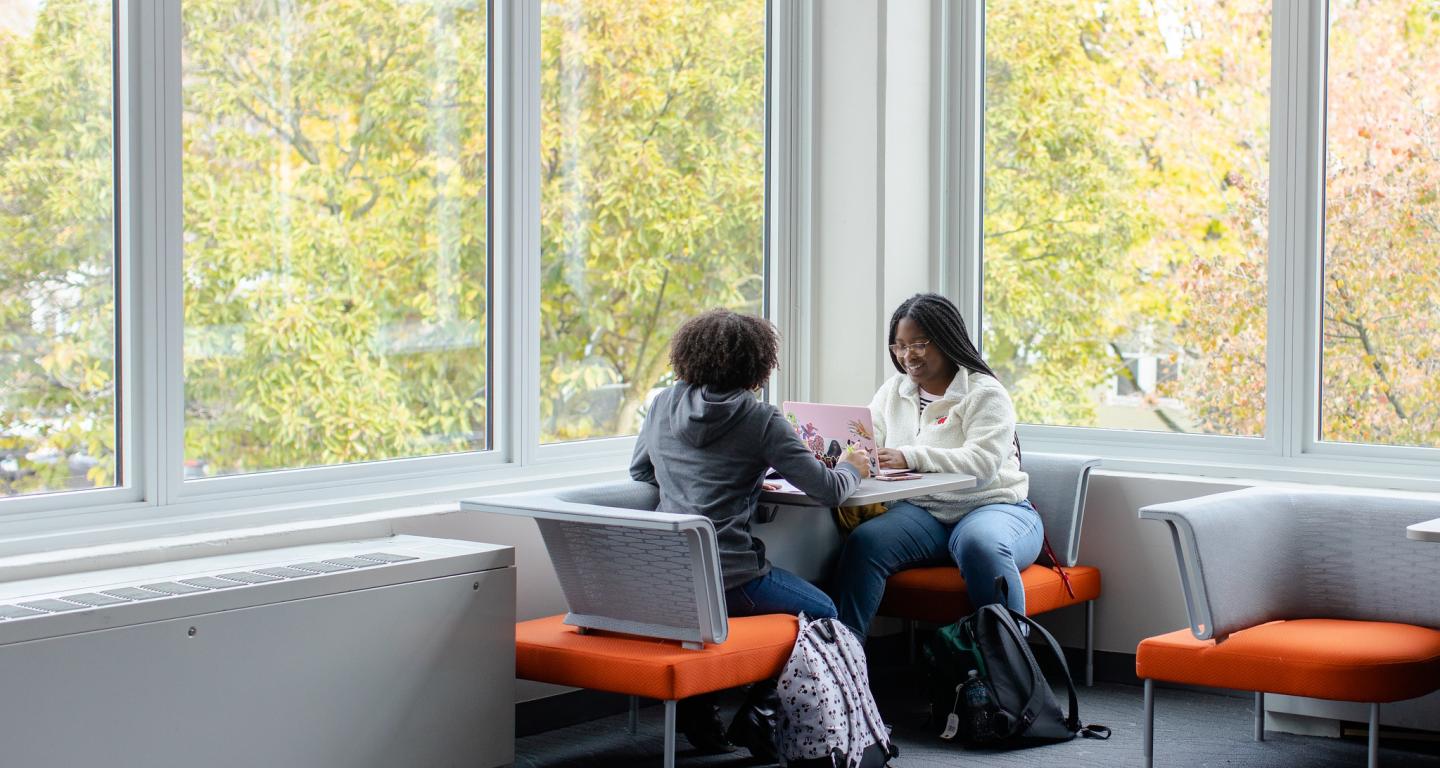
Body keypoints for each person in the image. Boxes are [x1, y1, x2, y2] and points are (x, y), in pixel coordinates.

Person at [631, 308, 870, 755]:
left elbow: (641, 470)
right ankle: (759, 713)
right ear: (759, 365)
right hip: (732, 579)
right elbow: (829, 490)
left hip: (672, 578)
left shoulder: (663, 403)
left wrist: (706, 484)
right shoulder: (761, 420)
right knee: (825, 611)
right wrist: (854, 465)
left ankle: (700, 712)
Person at [832, 293, 1040, 640]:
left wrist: (911, 456)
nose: (906, 355)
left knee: (980, 545)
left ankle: (1012, 671)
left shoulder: (985, 393)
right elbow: (871, 441)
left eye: (918, 344)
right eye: (898, 346)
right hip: (923, 511)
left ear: (945, 340)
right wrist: (845, 455)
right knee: (864, 543)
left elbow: (982, 465)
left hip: (994, 506)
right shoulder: (892, 392)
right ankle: (842, 667)